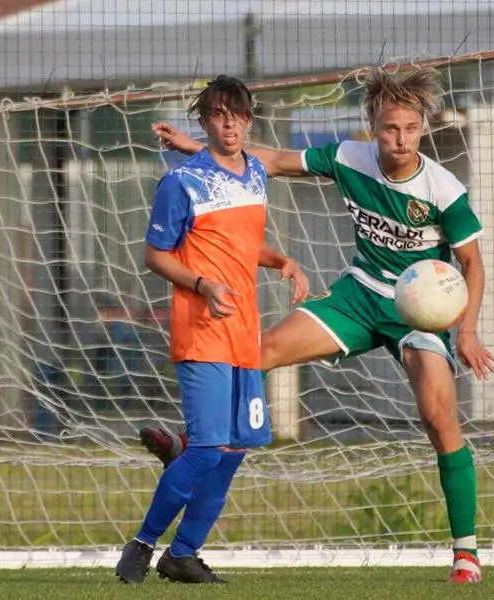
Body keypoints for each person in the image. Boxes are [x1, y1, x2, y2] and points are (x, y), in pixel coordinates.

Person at [149, 65, 494, 584]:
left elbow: (473, 263)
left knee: (438, 417)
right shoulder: (349, 157)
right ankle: (192, 442)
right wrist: (197, 147)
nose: (398, 139)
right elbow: (269, 159)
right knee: (258, 352)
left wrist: (465, 331)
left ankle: (466, 554)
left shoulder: (443, 188)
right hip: (359, 295)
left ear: (421, 128)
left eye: (408, 129)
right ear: (373, 126)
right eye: (388, 128)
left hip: (417, 313)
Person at [114, 74, 309, 585]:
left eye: (238, 114)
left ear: (249, 118)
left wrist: (281, 260)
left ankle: (183, 555)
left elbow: (238, 242)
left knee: (233, 451)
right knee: (206, 447)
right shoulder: (182, 181)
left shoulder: (256, 174)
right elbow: (156, 254)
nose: (230, 123)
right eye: (218, 114)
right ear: (203, 121)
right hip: (201, 329)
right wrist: (203, 285)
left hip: (245, 333)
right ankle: (141, 544)